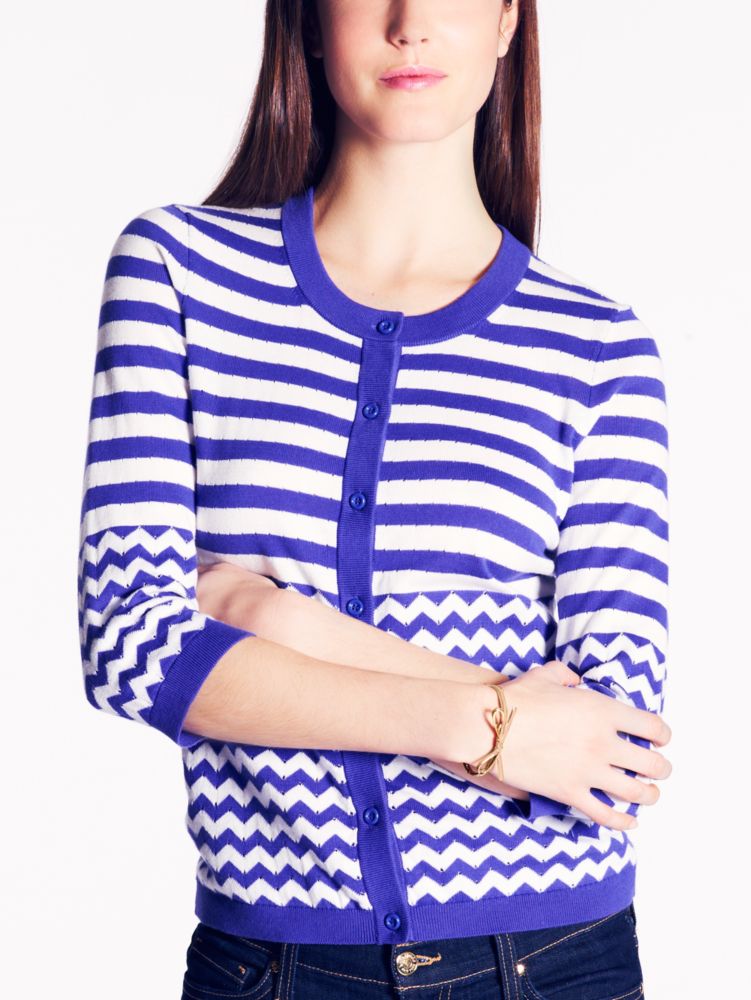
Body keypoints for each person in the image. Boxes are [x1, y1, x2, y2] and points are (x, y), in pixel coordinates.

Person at [77, 1, 672, 997]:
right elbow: (130, 646)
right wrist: (497, 727)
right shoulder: (180, 274)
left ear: (506, 20)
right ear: (309, 18)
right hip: (273, 966)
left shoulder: (596, 346)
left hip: (553, 959)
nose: (409, 22)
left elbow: (609, 746)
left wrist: (272, 616)